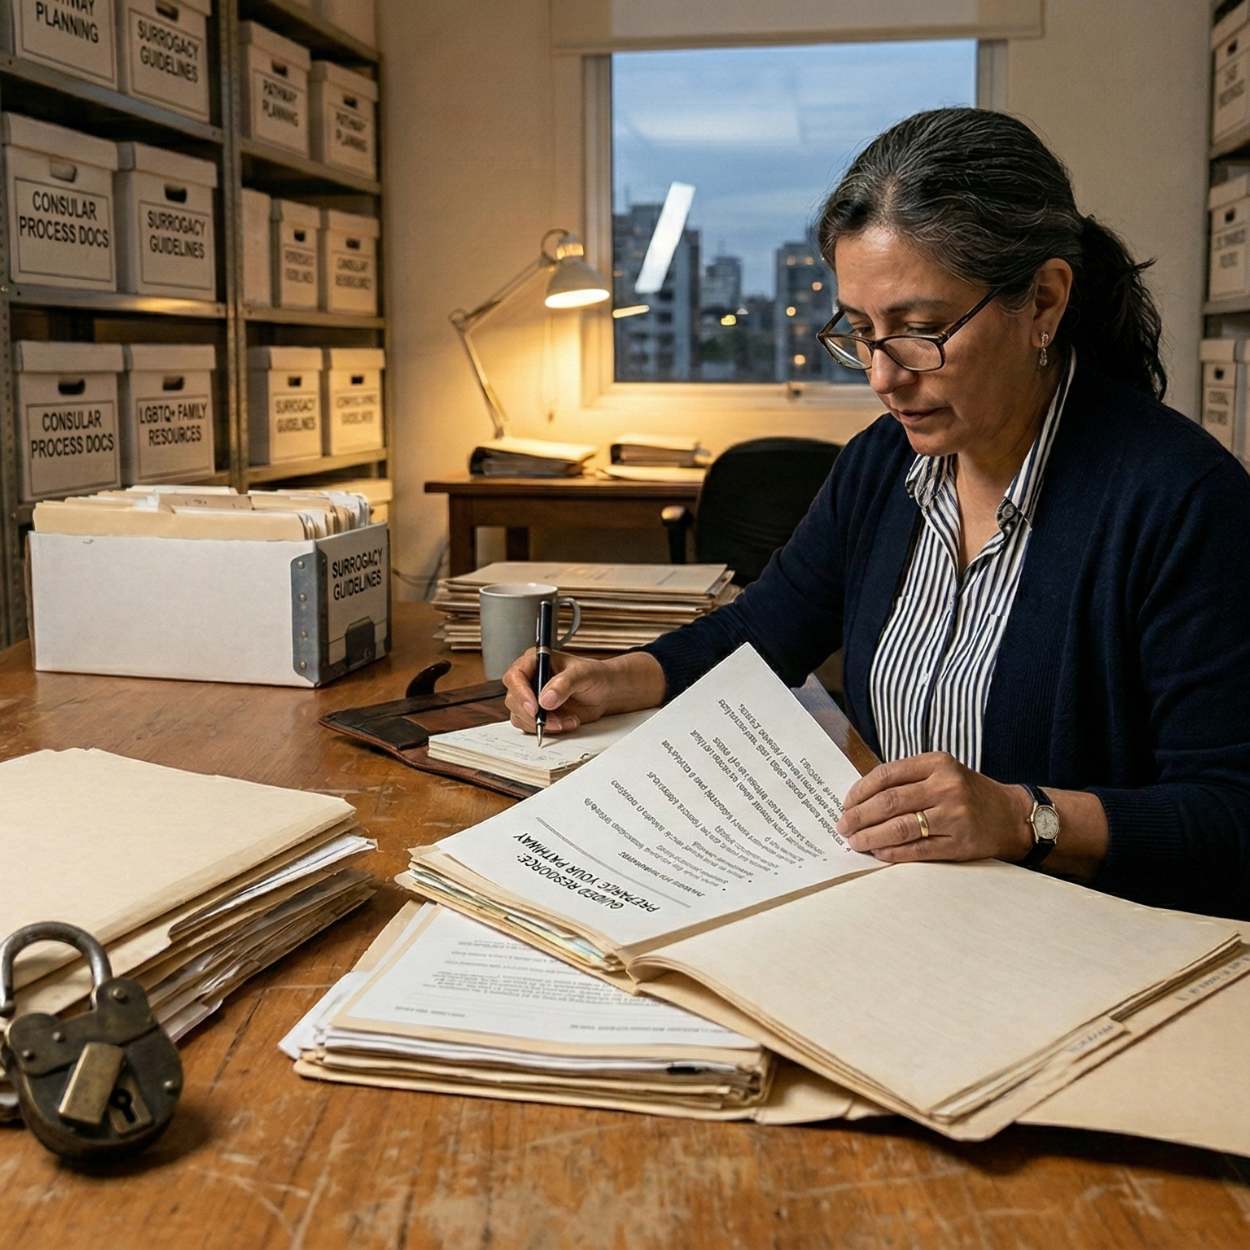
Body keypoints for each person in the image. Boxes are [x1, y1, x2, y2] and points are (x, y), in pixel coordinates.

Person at [501, 107, 1250, 920]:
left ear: (1042, 300)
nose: (883, 378)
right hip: (911, 917)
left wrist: (1023, 817)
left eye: (920, 332)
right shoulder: (884, 464)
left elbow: (1232, 812)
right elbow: (763, 629)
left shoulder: (1182, 501)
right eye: (861, 333)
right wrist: (617, 678)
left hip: (1095, 942)